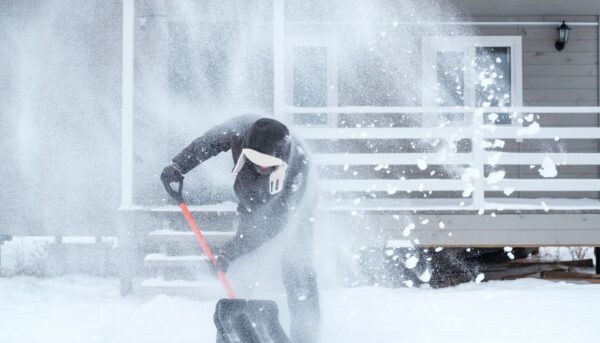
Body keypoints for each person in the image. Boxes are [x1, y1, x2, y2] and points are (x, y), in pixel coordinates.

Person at [161, 115, 320, 343]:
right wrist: (179, 166)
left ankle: (307, 336)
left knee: (297, 266)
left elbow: (271, 227)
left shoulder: (297, 169)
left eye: (267, 162)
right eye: (255, 159)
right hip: (251, 202)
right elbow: (208, 143)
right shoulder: (239, 131)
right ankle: (244, 325)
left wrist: (230, 251)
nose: (261, 166)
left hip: (296, 211)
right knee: (243, 263)